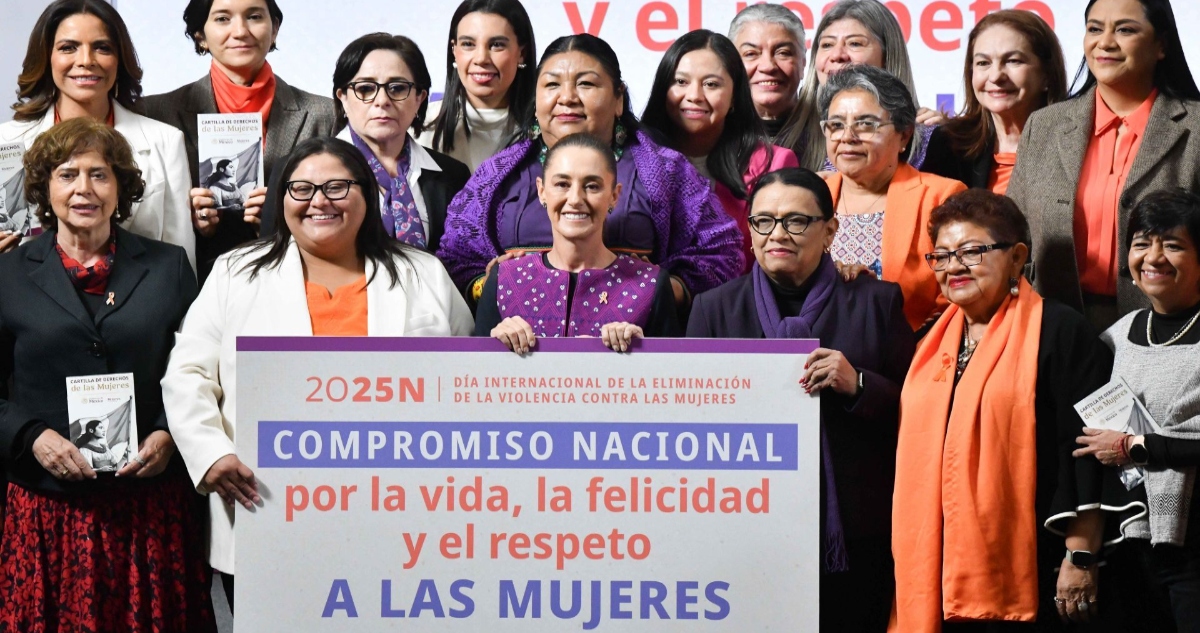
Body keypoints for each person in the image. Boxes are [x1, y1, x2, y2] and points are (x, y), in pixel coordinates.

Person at [162, 136, 473, 609]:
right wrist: (210, 455)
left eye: (336, 187)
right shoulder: (234, 273)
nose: (318, 201)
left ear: (368, 196)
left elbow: (466, 378)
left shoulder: (423, 274)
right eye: (301, 189)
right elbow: (187, 373)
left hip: (397, 515)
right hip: (265, 505)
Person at [0, 117, 214, 631]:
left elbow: (199, 369)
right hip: (47, 505)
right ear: (43, 188)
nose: (83, 189)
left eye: (99, 175)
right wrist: (31, 438)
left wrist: (168, 432)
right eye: (67, 174)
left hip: (148, 501)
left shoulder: (170, 267)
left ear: (121, 188)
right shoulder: (7, 275)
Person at [687, 167, 914, 632]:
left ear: (831, 230)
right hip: (746, 528)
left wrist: (860, 385)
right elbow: (689, 424)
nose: (778, 234)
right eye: (764, 221)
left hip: (855, 529)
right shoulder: (713, 308)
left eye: (796, 221)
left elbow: (917, 414)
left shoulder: (876, 301)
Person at [892, 189, 1112, 631]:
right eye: (942, 255)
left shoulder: (1059, 329)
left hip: (1036, 558)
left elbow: (1089, 452)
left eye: (972, 251)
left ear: (1016, 257)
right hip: (936, 561)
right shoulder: (930, 341)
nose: (954, 266)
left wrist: (1081, 554)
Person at [437, 33, 743, 308]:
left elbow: (720, 253)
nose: (567, 98)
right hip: (518, 349)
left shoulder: (667, 171)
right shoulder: (496, 174)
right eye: (552, 84)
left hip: (633, 347)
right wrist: (488, 287)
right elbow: (456, 257)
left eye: (586, 83)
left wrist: (657, 292)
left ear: (618, 98)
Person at [1006, 0, 1200, 333]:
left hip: (1173, 330)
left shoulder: (1194, 128)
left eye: (1125, 29)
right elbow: (1013, 233)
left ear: (1162, 45)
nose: (1105, 42)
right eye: (1095, 28)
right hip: (1052, 327)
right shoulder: (1044, 126)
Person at [1073, 190, 1200, 632]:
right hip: (1131, 540)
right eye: (1142, 243)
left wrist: (1135, 446)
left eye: (1174, 244)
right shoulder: (1118, 335)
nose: (1154, 257)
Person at [143, 0, 337, 282]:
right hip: (194, 288)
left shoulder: (325, 114)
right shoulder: (156, 114)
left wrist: (279, 219)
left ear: (275, 29)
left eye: (254, 16)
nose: (240, 31)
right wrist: (186, 221)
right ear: (200, 35)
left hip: (298, 282)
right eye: (223, 19)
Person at [0, 0, 194, 268]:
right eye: (68, 48)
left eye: (102, 48)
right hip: (27, 305)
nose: (86, 61)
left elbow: (181, 261)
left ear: (119, 58)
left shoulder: (165, 141)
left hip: (141, 306)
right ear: (47, 56)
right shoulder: (6, 142)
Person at [262, 33, 470, 253]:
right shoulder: (293, 171)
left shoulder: (453, 176)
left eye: (398, 88)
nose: (382, 101)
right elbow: (274, 262)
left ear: (419, 97)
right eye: (365, 89)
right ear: (342, 97)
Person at [476, 133, 679, 351]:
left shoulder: (649, 285)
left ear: (614, 196)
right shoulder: (504, 280)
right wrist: (494, 348)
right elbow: (473, 376)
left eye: (592, 186)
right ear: (542, 191)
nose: (575, 200)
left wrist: (643, 352)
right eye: (562, 184)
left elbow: (672, 379)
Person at [818, 65, 966, 331]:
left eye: (865, 124)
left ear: (904, 135)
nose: (847, 137)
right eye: (836, 125)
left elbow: (955, 300)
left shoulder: (942, 197)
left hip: (910, 356)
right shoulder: (810, 193)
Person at [641, 29, 799, 271]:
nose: (694, 96)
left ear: (735, 95)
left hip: (738, 304)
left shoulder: (774, 163)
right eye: (681, 82)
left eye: (711, 84)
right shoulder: (635, 157)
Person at [778, 0, 942, 172]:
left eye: (854, 43)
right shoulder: (790, 140)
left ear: (888, 56)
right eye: (827, 45)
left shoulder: (930, 141)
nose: (837, 55)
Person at [922, 10, 1067, 194]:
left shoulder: (1073, 147)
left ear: (1047, 75)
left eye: (1013, 61)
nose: (996, 76)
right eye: (983, 63)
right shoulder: (947, 146)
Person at [420, 0, 537, 171]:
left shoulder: (546, 131)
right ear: (454, 51)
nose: (481, 58)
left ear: (522, 53)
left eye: (497, 45)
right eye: (468, 44)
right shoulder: (421, 128)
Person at [727, 3, 806, 141]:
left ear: (803, 62)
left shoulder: (829, 133)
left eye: (783, 53)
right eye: (751, 54)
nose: (768, 66)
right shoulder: (711, 136)